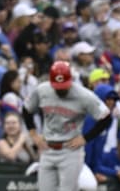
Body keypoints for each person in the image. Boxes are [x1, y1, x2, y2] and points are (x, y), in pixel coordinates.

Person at [23, 61, 111, 191]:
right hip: (48, 148)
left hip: (70, 150)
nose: (61, 89)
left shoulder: (84, 95)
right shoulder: (42, 90)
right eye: (57, 86)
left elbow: (106, 117)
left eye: (64, 86)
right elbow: (26, 109)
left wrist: (85, 138)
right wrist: (33, 134)